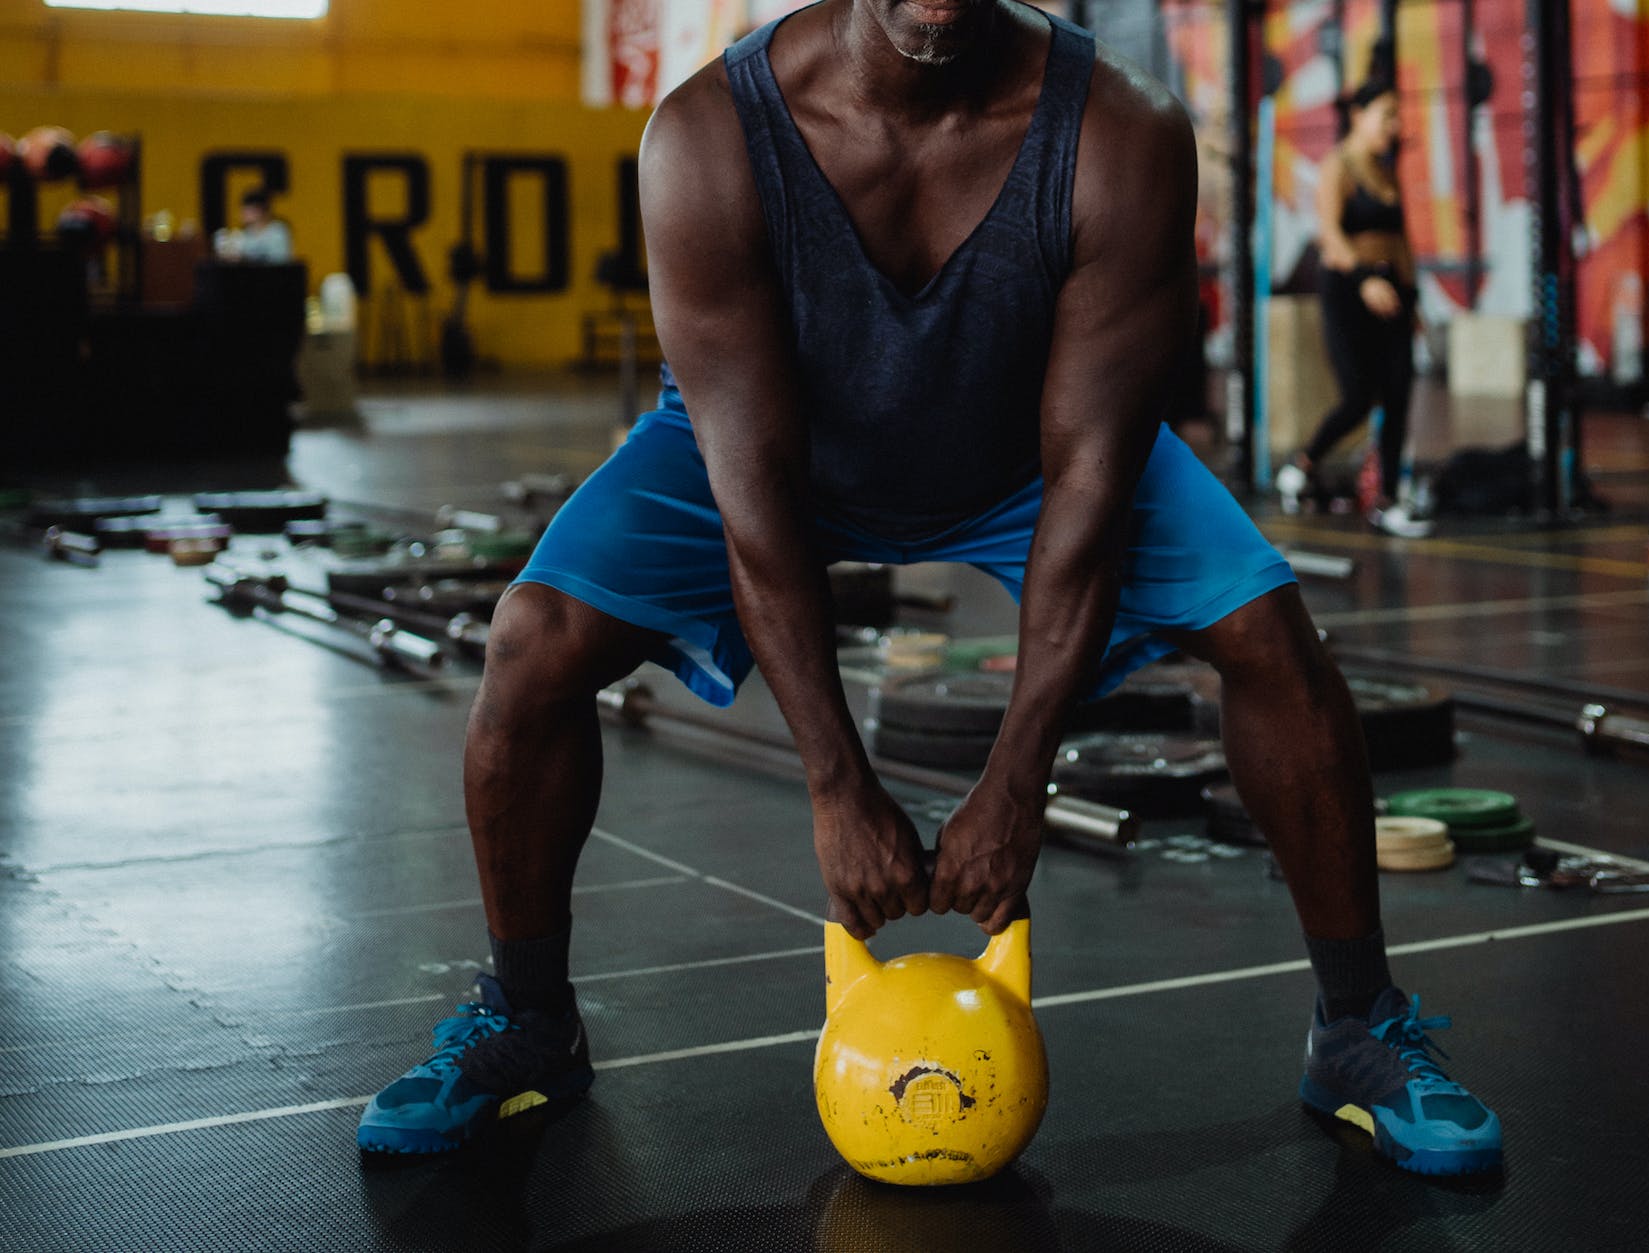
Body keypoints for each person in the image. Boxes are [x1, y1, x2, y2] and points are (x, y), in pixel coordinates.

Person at [355, 0, 1502, 1176]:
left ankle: (1355, 1025)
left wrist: (1017, 782)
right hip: (775, 450)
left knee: (1268, 631)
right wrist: (836, 783)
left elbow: (1092, 483)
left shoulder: (1118, 132)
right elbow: (752, 496)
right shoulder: (706, 139)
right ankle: (527, 1017)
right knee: (531, 638)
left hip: (1022, 452)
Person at [1276, 80, 1429, 538]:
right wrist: (1365, 280)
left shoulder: (1386, 171)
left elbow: (1401, 242)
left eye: (1398, 116)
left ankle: (1385, 500)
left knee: (1400, 393)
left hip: (1393, 295)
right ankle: (1302, 466)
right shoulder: (1338, 165)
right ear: (1359, 116)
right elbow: (1331, 236)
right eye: (1387, 115)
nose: (1395, 126)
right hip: (1349, 290)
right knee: (1359, 396)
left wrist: (1411, 297)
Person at [213, 188, 293, 263]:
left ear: (259, 210)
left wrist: (246, 258)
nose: (242, 214)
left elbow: (280, 260)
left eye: (246, 210)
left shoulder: (278, 231)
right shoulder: (244, 233)